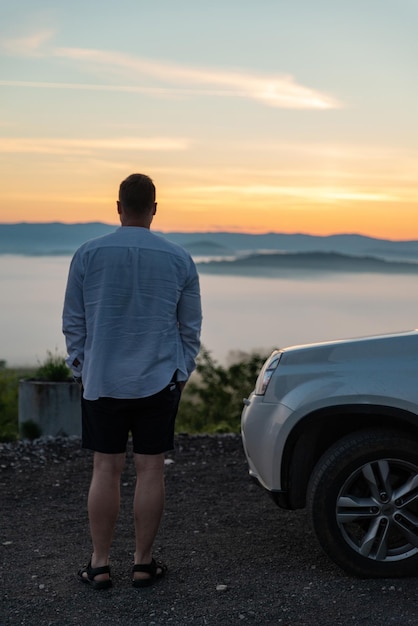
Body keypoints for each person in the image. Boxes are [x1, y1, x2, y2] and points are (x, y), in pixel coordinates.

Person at [62, 173, 202, 589]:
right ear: (154, 208)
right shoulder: (178, 258)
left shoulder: (87, 254)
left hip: (102, 378)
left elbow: (74, 322)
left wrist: (81, 368)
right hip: (159, 378)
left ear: (119, 206)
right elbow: (190, 327)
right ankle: (143, 563)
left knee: (105, 468)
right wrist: (181, 371)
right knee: (151, 469)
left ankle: (100, 564)